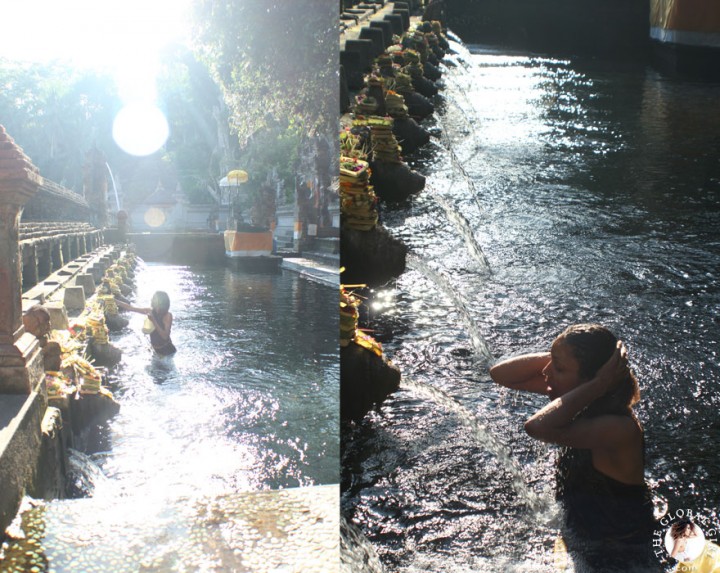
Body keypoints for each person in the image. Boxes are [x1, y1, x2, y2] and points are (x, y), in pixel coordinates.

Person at [490, 323, 657, 571]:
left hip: (620, 552)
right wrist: (559, 356)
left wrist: (598, 382)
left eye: (558, 368)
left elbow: (537, 428)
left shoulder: (619, 428)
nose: (546, 372)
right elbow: (500, 374)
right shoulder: (576, 394)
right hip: (583, 531)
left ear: (591, 381)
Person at [117, 291, 176, 356]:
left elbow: (165, 336)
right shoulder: (150, 311)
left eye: (154, 298)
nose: (152, 300)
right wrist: (115, 301)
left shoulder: (167, 316)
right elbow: (131, 308)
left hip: (167, 350)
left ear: (161, 302)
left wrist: (153, 321)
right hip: (155, 350)